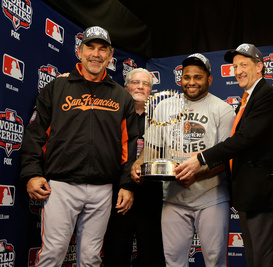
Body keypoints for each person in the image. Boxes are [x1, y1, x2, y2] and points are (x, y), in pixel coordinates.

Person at [19, 26, 136, 266]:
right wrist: (31, 172)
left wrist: (126, 184)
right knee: (52, 255)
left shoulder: (121, 96)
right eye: (90, 47)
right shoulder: (57, 88)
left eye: (102, 49)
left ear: (110, 56)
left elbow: (130, 143)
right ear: (80, 51)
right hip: (61, 186)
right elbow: (35, 133)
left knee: (91, 259)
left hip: (103, 189)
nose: (96, 54)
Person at [175, 44, 273, 267]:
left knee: (264, 259)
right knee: (254, 258)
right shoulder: (247, 99)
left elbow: (243, 139)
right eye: (235, 66)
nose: (238, 71)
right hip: (248, 194)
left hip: (261, 195)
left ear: (260, 67)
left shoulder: (268, 94)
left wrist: (201, 158)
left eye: (244, 65)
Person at [131, 53, 235, 267]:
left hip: (211, 198)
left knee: (215, 262)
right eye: (187, 77)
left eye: (198, 77)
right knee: (173, 263)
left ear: (209, 79)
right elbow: (152, 147)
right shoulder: (163, 107)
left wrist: (197, 174)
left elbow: (226, 158)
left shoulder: (222, 110)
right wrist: (139, 163)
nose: (191, 82)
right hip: (173, 199)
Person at [103, 68, 165, 267]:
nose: (140, 87)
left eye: (146, 84)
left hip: (151, 192)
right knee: (117, 248)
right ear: (126, 86)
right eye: (136, 82)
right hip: (119, 191)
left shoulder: (161, 118)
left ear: (151, 91)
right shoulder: (113, 115)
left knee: (151, 250)